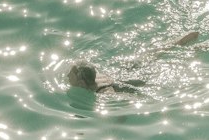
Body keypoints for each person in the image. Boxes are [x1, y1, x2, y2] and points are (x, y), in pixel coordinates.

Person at [65, 33, 201, 94]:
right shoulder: (94, 74)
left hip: (132, 81)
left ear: (82, 84)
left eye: (69, 75)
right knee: (150, 56)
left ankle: (195, 51)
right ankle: (177, 42)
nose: (66, 76)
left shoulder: (104, 93)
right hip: (122, 71)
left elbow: (126, 99)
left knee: (162, 64)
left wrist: (119, 121)